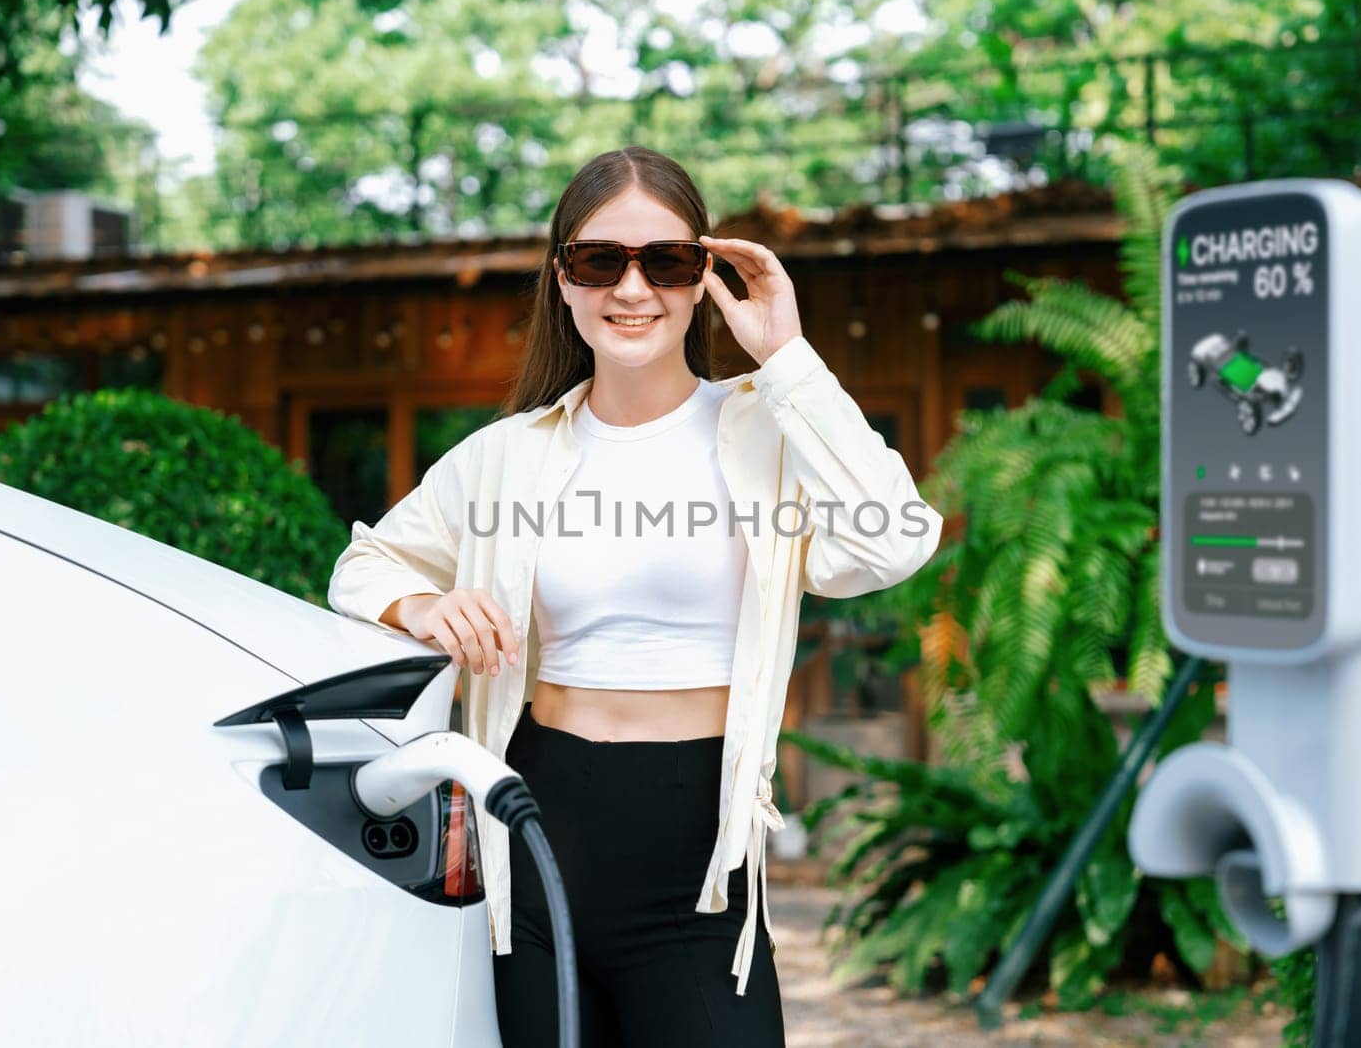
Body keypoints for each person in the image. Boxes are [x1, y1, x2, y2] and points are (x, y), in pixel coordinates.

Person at [327, 146, 944, 1046]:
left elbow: (896, 536)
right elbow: (363, 563)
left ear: (702, 279)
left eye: (665, 261)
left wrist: (790, 359)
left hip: (698, 849)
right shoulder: (508, 455)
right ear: (563, 282)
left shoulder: (764, 433)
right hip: (537, 829)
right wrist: (420, 608)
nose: (632, 288)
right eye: (599, 260)